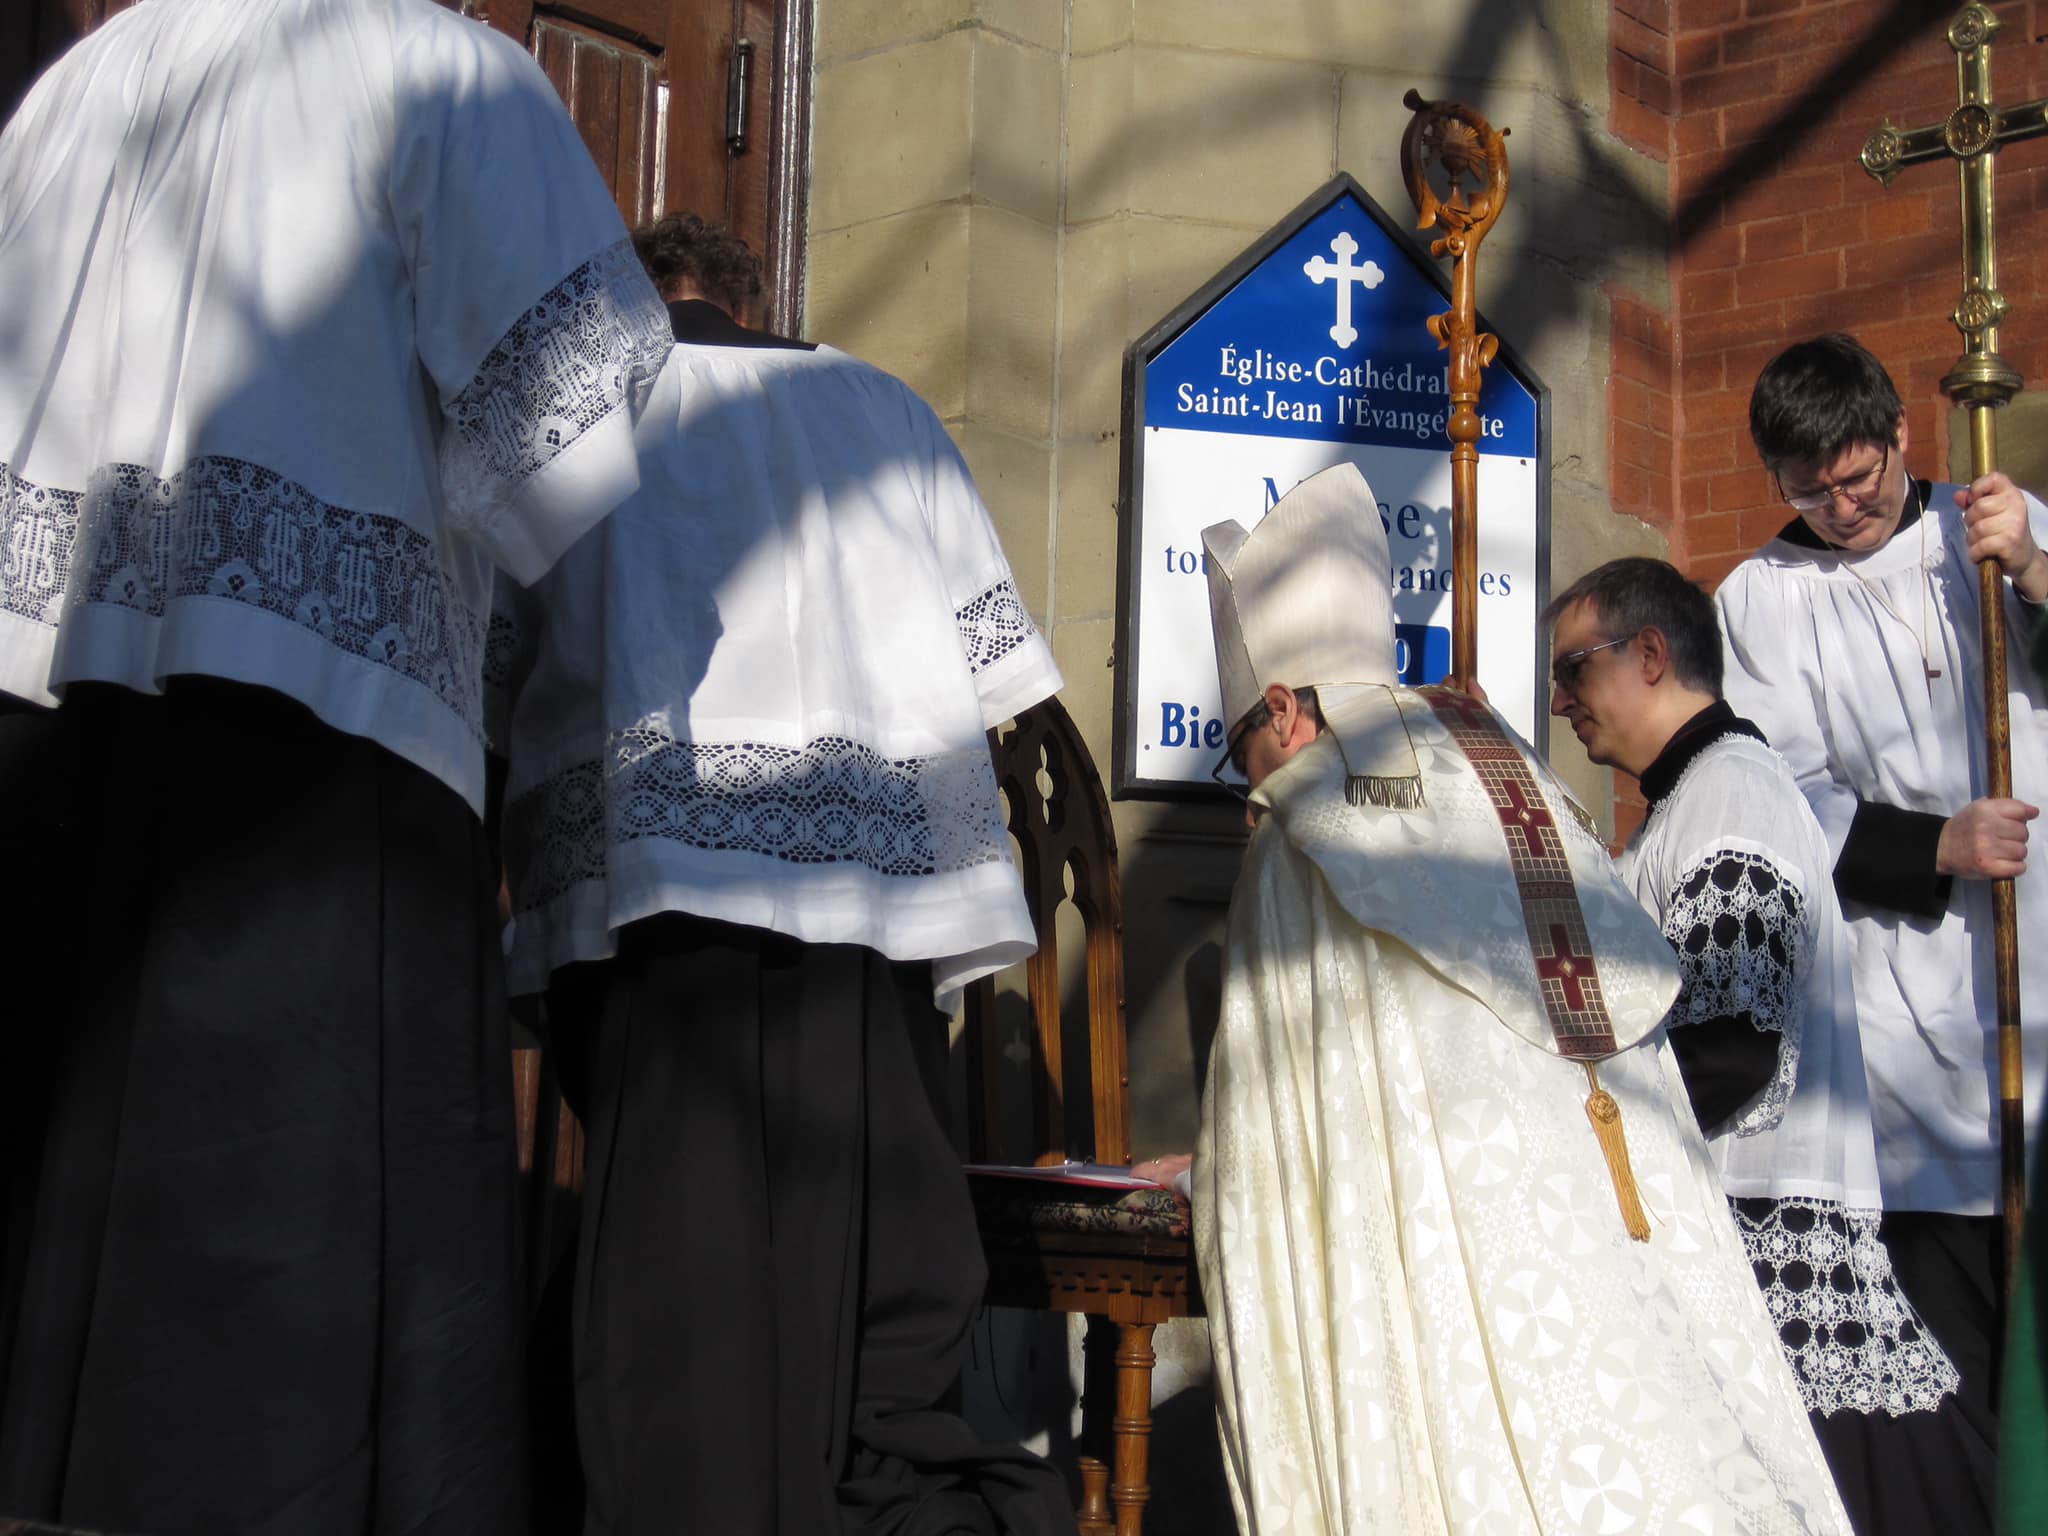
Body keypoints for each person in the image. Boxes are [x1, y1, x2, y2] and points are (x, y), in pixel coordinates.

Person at [0, 3, 672, 1533]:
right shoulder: (433, 68)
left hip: (44, 738)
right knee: (274, 1350)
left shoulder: (73, 87)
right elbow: (572, 442)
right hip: (308, 770)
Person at [493, 214, 1073, 1534]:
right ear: (754, 297)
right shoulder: (880, 405)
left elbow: (488, 665)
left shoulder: (572, 412)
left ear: (636, 299)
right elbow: (1003, 678)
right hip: (860, 916)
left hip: (656, 911)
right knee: (875, 1281)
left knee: (680, 1290)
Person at [1191, 462, 1851, 1535]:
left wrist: (1206, 1170)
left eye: (1242, 754)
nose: (1250, 787)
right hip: (1625, 1264)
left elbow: (1282, 1151)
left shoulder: (1304, 828)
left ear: (1281, 706)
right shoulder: (1515, 779)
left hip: (1446, 1306)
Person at [1550, 556, 1966, 1532]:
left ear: (1648, 655)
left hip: (1758, 1240)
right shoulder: (1686, 803)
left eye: (1573, 669)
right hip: (1727, 1226)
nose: (1559, 698)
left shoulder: (1729, 796)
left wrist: (1578, 1152)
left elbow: (1729, 1049)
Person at [1718, 332, 2048, 1521]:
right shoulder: (1759, 598)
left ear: (1901, 435)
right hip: (1898, 1018)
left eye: (1857, 480)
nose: (1840, 507)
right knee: (1951, 1370)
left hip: (2035, 964)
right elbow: (1778, 794)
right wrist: (1931, 846)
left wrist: (2034, 575)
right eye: (1808, 489)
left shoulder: (1997, 523)